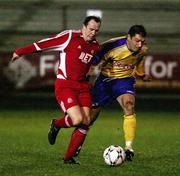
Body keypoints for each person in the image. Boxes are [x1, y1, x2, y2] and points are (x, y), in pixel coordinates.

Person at [11, 16, 101, 164]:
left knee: (86, 121)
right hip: (65, 85)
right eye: (91, 29)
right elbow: (44, 44)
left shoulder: (95, 46)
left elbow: (90, 64)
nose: (93, 33)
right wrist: (21, 51)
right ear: (83, 27)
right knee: (77, 119)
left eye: (96, 30)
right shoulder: (70, 37)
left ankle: (68, 158)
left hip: (83, 87)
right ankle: (56, 124)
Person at [88, 25, 151, 161]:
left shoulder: (143, 49)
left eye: (142, 41)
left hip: (124, 81)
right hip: (104, 81)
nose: (140, 45)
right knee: (89, 119)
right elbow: (93, 62)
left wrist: (142, 74)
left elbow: (138, 65)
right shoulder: (112, 45)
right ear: (128, 37)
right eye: (137, 41)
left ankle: (129, 148)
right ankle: (74, 145)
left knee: (129, 105)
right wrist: (87, 77)